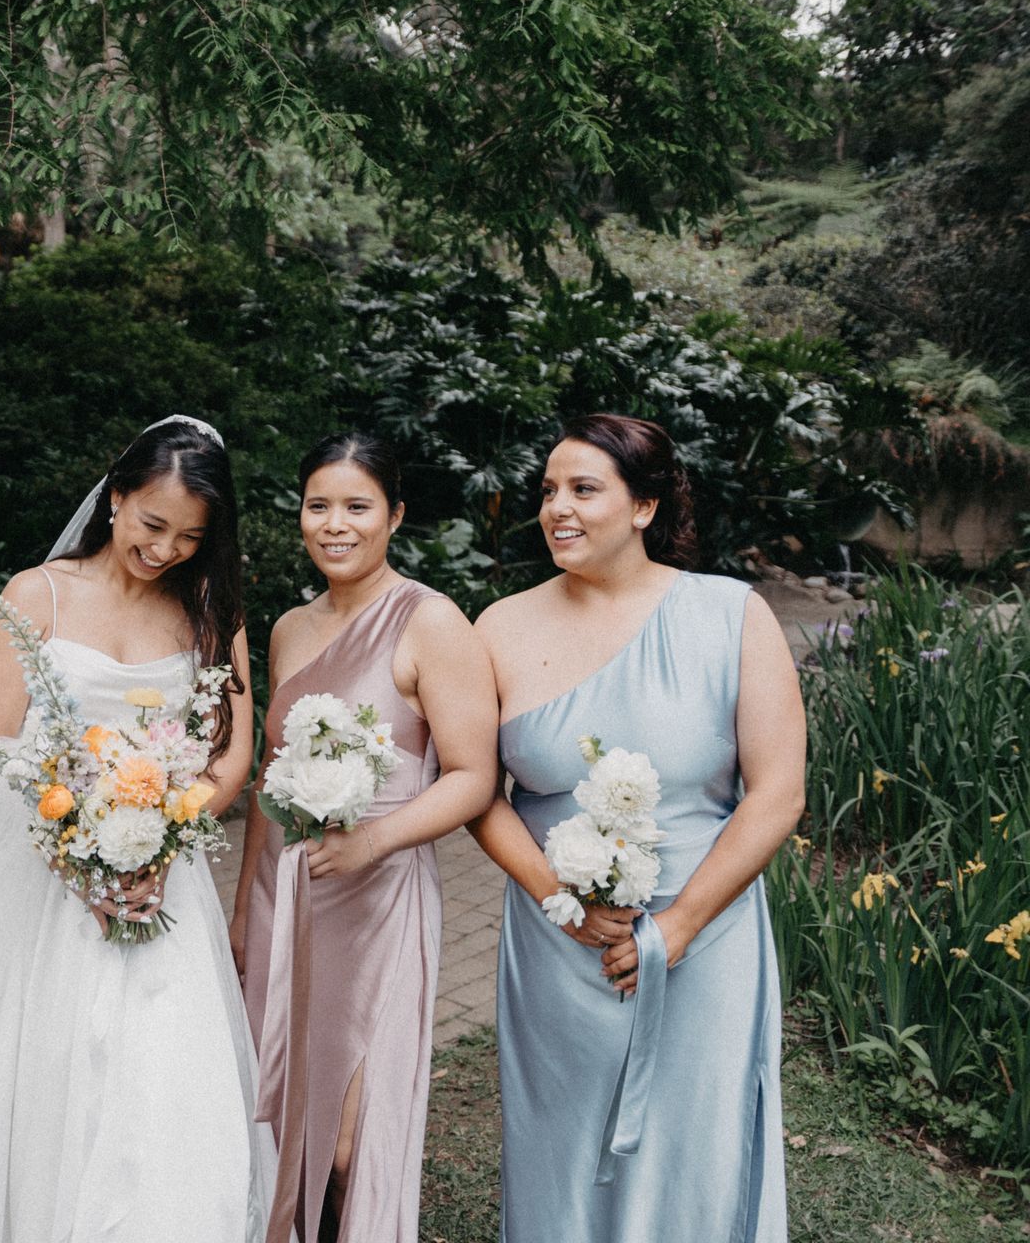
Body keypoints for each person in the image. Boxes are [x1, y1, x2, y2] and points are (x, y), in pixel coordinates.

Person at [0, 416, 272, 1242]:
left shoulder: (211, 614)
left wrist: (160, 840)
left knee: (158, 1087)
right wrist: (84, 853)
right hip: (35, 880)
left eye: (190, 536)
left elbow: (232, 756)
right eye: (153, 525)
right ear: (115, 497)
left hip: (159, 877)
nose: (165, 550)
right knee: (38, 1078)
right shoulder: (34, 595)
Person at [468, 413, 803, 1241]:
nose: (557, 509)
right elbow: (477, 792)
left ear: (645, 507)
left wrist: (680, 925)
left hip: (705, 938)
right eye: (549, 491)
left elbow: (778, 792)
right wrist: (563, 902)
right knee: (564, 1149)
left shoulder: (733, 616)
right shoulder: (499, 627)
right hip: (557, 945)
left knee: (694, 1148)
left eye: (584, 489)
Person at [234, 432, 498, 1243]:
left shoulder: (432, 622)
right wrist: (247, 906)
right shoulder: (289, 628)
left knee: (349, 1144)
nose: (335, 525)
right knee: (275, 1116)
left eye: (357, 507)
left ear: (396, 516)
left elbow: (471, 777)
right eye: (319, 506)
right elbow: (267, 781)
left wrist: (374, 843)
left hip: (377, 900)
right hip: (288, 896)